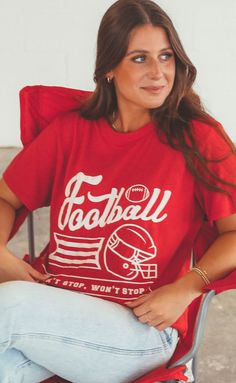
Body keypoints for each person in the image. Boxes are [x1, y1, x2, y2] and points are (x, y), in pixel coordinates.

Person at [0, 0, 236, 382]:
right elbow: (6, 197)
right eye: (139, 59)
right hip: (57, 315)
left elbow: (234, 231)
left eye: (166, 56)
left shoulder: (197, 140)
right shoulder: (71, 132)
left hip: (138, 331)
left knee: (6, 306)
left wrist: (188, 287)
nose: (159, 73)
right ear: (109, 67)